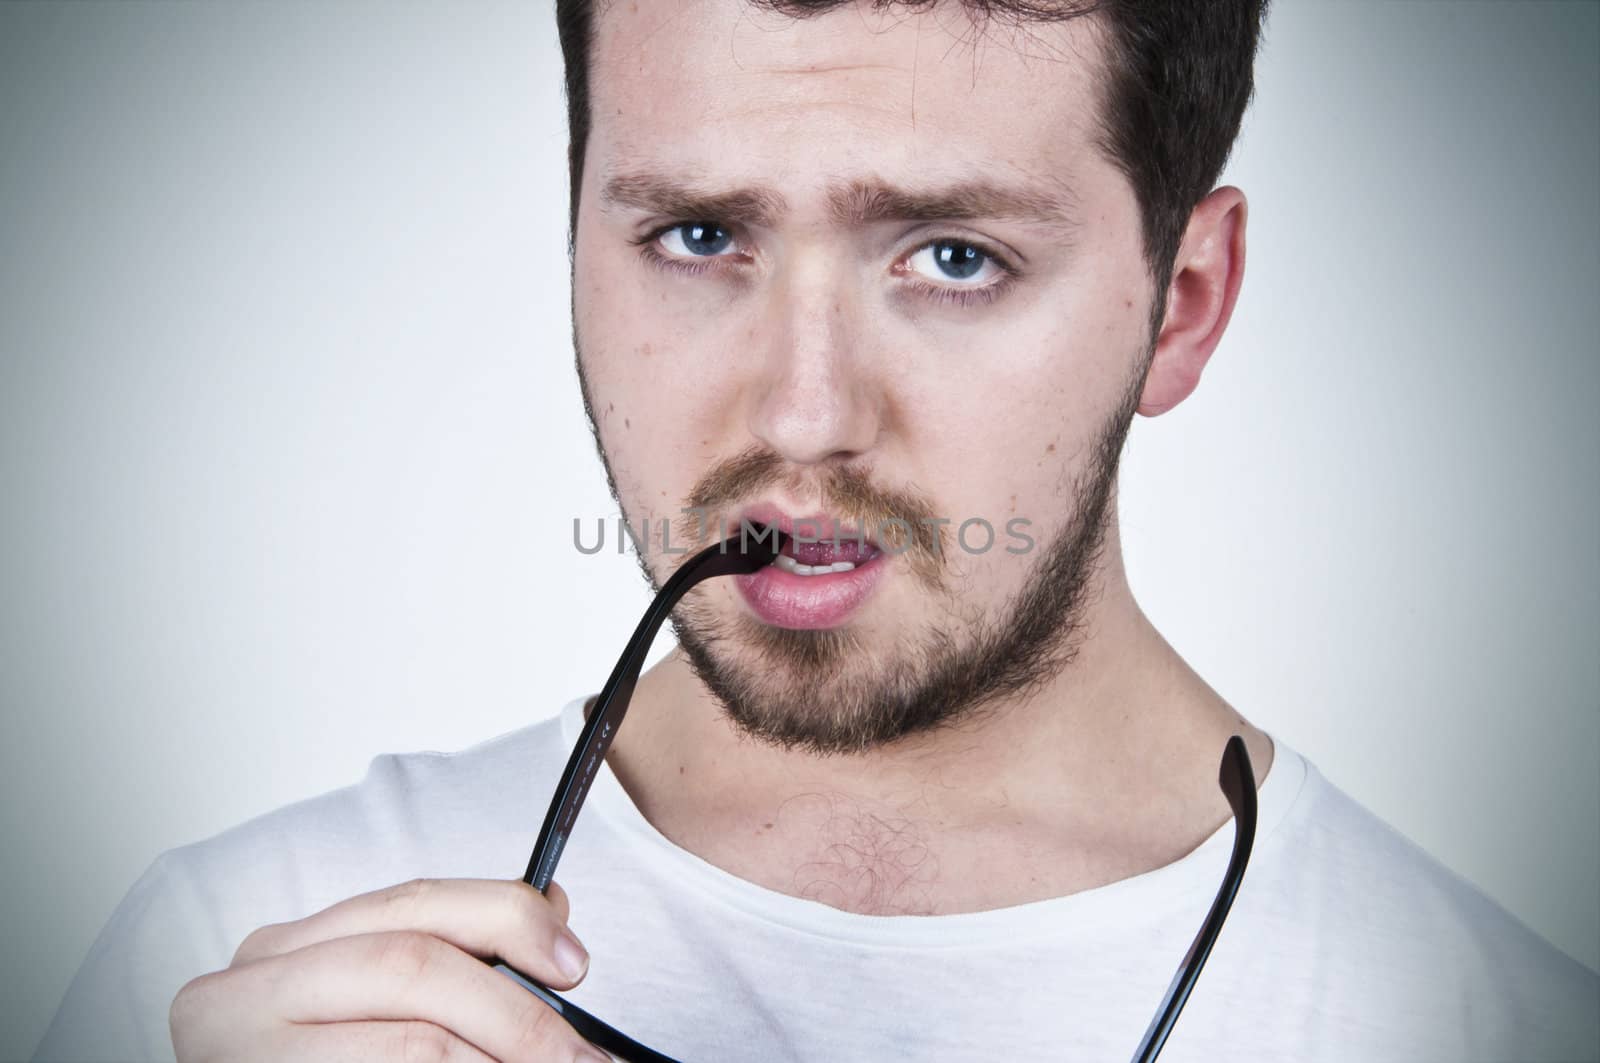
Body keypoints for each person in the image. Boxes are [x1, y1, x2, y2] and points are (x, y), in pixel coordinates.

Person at [32, 1, 1599, 1060]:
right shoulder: (236, 963)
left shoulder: (1478, 1023)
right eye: (698, 236)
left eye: (955, 257)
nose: (799, 416)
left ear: (1180, 305)